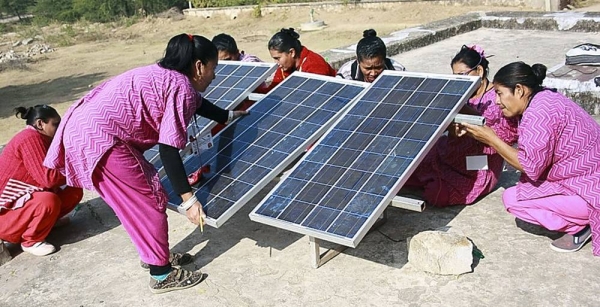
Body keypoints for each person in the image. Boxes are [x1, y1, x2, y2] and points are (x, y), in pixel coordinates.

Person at [44, 34, 247, 293]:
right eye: (213, 68)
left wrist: (227, 116)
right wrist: (189, 200)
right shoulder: (180, 87)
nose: (214, 75)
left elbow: (197, 104)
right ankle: (161, 274)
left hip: (84, 132)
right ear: (198, 66)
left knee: (132, 204)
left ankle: (155, 255)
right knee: (149, 199)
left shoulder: (166, 75)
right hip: (104, 141)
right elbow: (168, 149)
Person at [461, 61, 600, 254]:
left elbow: (529, 166)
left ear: (519, 90)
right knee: (525, 189)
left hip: (591, 193)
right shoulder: (543, 98)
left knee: (512, 200)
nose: (497, 101)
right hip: (582, 180)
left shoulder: (539, 114)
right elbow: (508, 135)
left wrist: (490, 139)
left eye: (500, 93)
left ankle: (579, 226)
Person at [401, 45, 519, 207]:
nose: (459, 81)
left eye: (462, 75)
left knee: (437, 196)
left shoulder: (497, 98)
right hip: (447, 155)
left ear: (479, 71)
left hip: (479, 167)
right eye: (455, 77)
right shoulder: (463, 95)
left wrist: (463, 110)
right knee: (402, 172)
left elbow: (504, 137)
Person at [0, 105, 83, 256]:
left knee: (74, 189)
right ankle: (31, 240)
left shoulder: (43, 138)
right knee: (48, 200)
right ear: (40, 124)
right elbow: (48, 179)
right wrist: (78, 168)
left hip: (21, 205)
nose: (59, 127)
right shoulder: (30, 138)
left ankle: (46, 224)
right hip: (6, 216)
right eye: (55, 124)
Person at [265, 28, 336, 91]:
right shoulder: (284, 68)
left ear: (292, 52)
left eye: (278, 58)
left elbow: (316, 97)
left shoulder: (315, 65)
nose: (276, 63)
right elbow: (272, 91)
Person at [337, 29, 405, 83]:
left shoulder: (398, 72)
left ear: (384, 60)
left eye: (378, 67)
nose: (373, 73)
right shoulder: (345, 75)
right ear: (358, 61)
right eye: (368, 69)